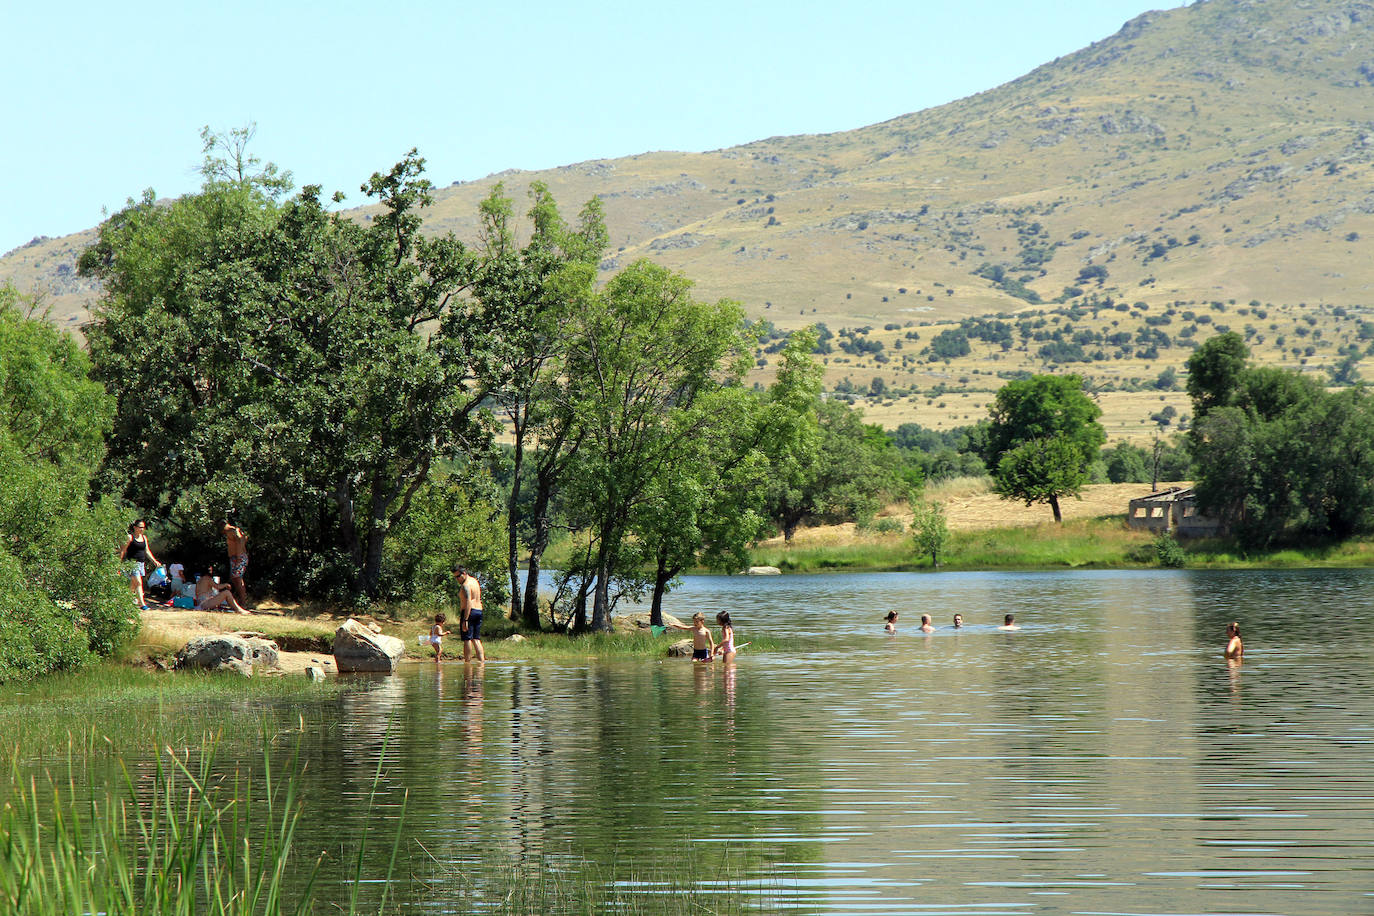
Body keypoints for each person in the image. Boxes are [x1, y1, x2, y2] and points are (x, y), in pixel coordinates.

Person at [119, 519, 160, 610]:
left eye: (143, 527)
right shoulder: (130, 537)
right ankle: (142, 604)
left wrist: (154, 561)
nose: (142, 529)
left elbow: (147, 551)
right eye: (140, 527)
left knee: (133, 586)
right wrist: (118, 563)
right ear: (135, 527)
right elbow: (123, 550)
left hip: (141, 564)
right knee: (138, 582)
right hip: (132, 563)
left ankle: (126, 601)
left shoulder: (144, 538)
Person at [451, 565, 485, 663]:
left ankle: (467, 662)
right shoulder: (475, 581)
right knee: (476, 639)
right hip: (478, 611)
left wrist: (465, 619)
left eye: (458, 576)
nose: (457, 579)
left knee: (467, 639)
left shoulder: (466, 585)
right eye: (455, 577)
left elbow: (468, 602)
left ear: (464, 573)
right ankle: (481, 662)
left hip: (469, 612)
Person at [222, 518, 250, 609]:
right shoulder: (234, 530)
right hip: (236, 557)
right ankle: (240, 601)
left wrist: (238, 555)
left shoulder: (231, 530)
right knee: (234, 579)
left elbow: (239, 540)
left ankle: (243, 603)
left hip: (238, 557)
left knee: (238, 579)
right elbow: (244, 538)